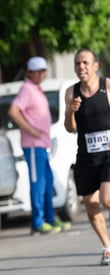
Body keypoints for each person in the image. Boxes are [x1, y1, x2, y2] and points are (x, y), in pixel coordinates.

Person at [8, 56, 69, 235]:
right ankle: (38, 222)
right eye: (38, 71)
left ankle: (50, 218)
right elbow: (13, 110)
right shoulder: (27, 89)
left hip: (42, 146)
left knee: (48, 182)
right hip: (33, 145)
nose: (41, 74)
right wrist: (31, 130)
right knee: (38, 184)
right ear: (30, 72)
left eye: (44, 70)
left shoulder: (37, 89)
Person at [64, 48, 110, 265]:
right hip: (86, 156)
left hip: (109, 154)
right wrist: (70, 111)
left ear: (95, 66)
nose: (80, 67)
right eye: (77, 63)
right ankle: (107, 247)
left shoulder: (107, 87)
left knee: (106, 199)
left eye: (84, 63)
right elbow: (69, 128)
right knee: (90, 204)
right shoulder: (71, 93)